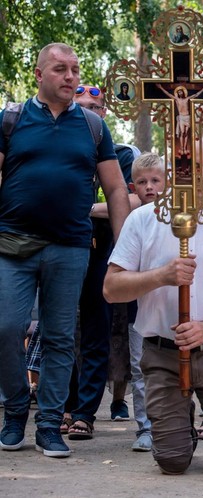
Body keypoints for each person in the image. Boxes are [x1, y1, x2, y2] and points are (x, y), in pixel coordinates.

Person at [0, 43, 130, 458]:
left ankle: (50, 424)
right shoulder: (10, 120)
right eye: (60, 69)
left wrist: (124, 250)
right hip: (11, 244)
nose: (70, 76)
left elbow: (115, 189)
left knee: (59, 338)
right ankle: (17, 410)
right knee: (6, 328)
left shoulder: (93, 126)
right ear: (39, 74)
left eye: (75, 68)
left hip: (71, 247)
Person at [103, 137, 203, 475]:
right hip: (162, 354)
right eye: (190, 167)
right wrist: (161, 275)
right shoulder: (142, 219)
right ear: (173, 171)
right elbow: (112, 289)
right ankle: (179, 425)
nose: (200, 176)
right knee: (172, 463)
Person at [65, 84, 142, 441]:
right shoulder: (61, 146)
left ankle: (85, 412)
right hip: (64, 246)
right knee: (60, 329)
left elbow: (133, 198)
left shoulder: (121, 154)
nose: (90, 111)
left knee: (97, 329)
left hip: (105, 251)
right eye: (83, 105)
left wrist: (87, 209)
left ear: (105, 113)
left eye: (96, 106)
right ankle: (64, 404)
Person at [121, 152, 165, 451]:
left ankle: (175, 423)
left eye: (155, 180)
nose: (149, 186)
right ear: (131, 186)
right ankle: (146, 427)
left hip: (175, 307)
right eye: (142, 182)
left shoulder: (181, 218)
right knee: (141, 367)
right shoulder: (133, 221)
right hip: (140, 309)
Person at [156, 83, 203, 155]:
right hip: (181, 118)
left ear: (183, 92)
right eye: (178, 92)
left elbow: (196, 95)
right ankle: (182, 148)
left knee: (186, 133)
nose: (179, 93)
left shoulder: (187, 99)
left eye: (181, 92)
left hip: (187, 117)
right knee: (182, 133)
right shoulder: (176, 99)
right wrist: (161, 87)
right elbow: (168, 94)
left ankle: (185, 148)